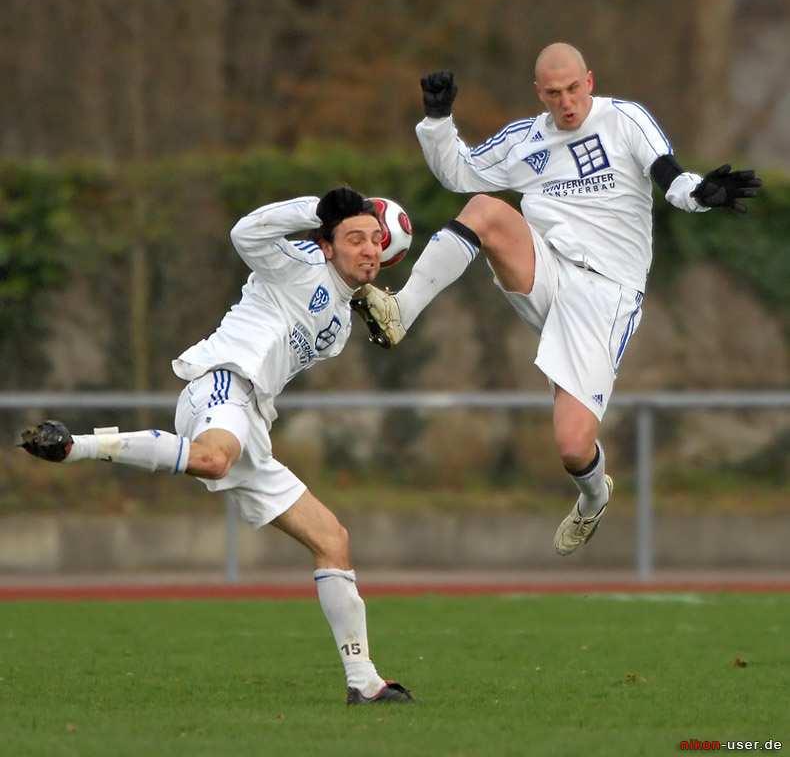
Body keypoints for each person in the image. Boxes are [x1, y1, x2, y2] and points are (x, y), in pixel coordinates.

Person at [353, 42, 761, 556]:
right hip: (546, 267)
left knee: (571, 446)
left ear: (589, 80)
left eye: (573, 89)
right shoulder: (524, 139)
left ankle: (593, 497)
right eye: (553, 93)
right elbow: (457, 172)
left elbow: (670, 176)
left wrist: (700, 194)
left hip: (605, 293)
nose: (566, 102)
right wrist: (437, 121)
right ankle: (400, 312)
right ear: (538, 94)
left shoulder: (625, 120)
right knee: (483, 209)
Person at [19, 187, 413, 706]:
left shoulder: (341, 323)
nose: (367, 248)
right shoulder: (296, 262)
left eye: (375, 241)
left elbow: (323, 308)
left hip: (252, 419)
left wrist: (358, 299)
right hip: (222, 382)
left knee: (332, 540)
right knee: (211, 458)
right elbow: (245, 232)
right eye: (354, 237)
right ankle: (76, 447)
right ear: (326, 244)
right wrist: (317, 209)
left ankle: (364, 683)